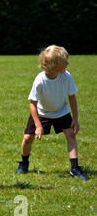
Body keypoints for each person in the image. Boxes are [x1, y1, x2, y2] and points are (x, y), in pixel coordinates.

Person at [16, 45, 88, 180]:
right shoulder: (40, 80)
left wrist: (75, 119)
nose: (67, 64)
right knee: (27, 139)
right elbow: (33, 104)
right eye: (64, 62)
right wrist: (38, 126)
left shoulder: (66, 76)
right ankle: (24, 164)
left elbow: (72, 96)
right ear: (54, 66)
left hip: (61, 111)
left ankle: (75, 168)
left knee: (71, 135)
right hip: (42, 113)